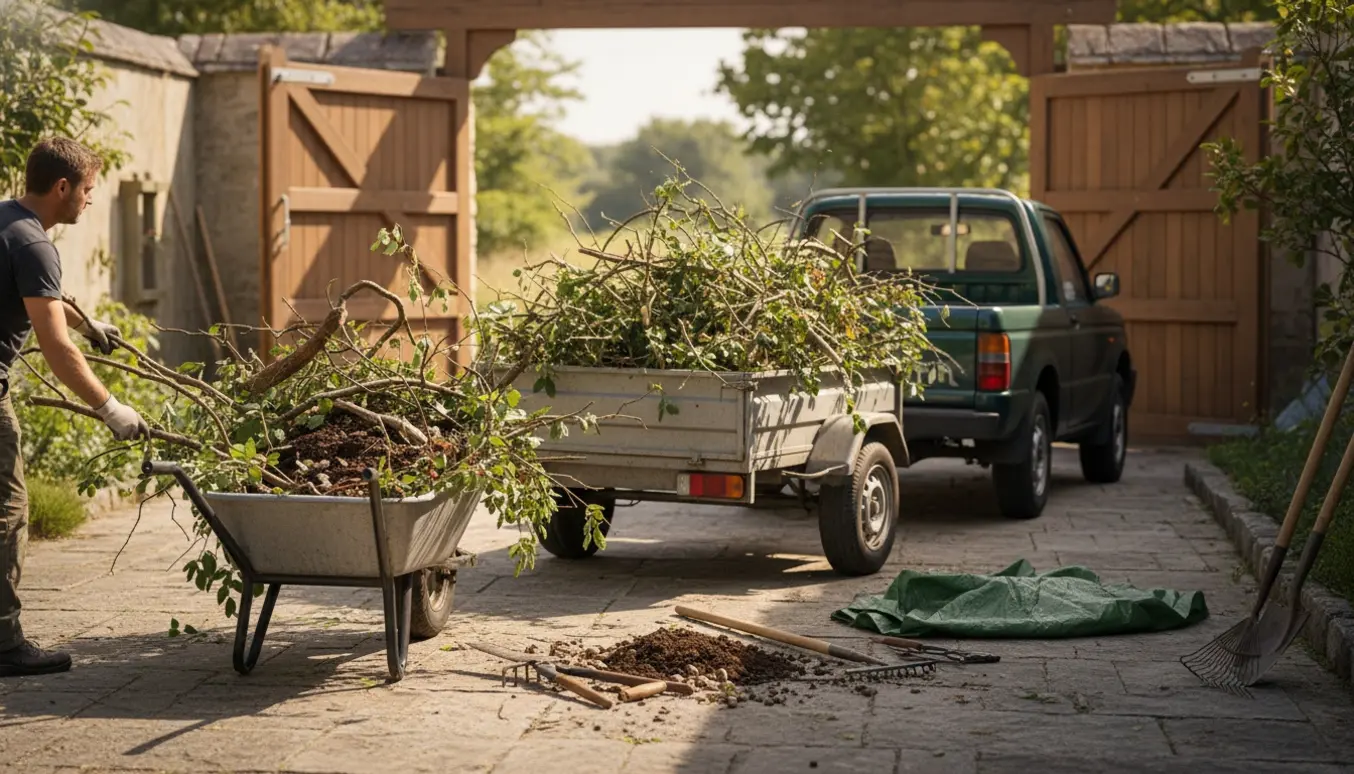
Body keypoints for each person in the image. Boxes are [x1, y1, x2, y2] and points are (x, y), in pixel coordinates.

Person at [0, 137, 148, 677]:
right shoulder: (36, 245)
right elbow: (56, 349)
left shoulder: (7, 221)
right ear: (62, 187)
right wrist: (110, 407)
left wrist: (87, 323)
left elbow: (33, 294)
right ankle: (4, 645)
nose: (89, 200)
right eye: (87, 190)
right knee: (8, 516)